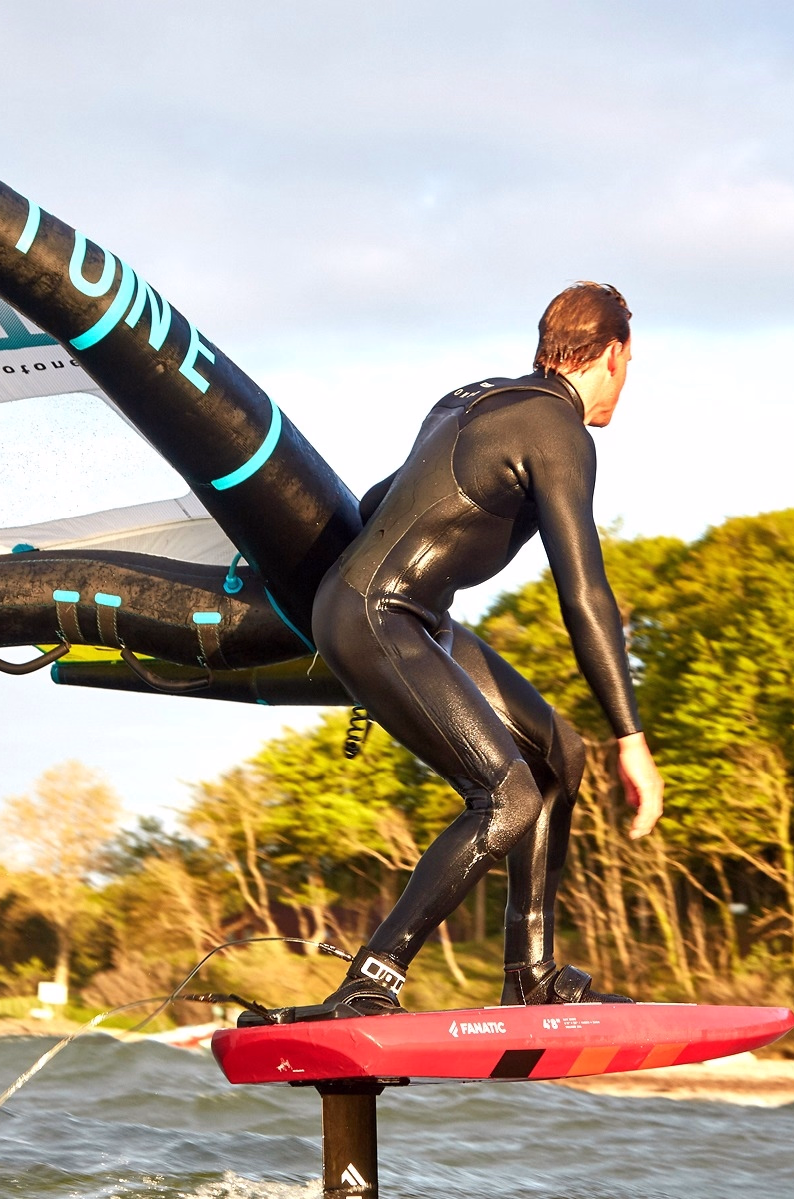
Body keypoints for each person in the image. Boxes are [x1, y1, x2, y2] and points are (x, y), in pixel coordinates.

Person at [276, 281, 664, 1022]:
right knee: (509, 795)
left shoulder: (473, 400)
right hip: (379, 615)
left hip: (404, 615)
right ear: (613, 356)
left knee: (558, 755)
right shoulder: (558, 430)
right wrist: (633, 736)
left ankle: (532, 974)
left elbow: (371, 504)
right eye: (632, 361)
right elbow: (585, 593)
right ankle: (371, 980)